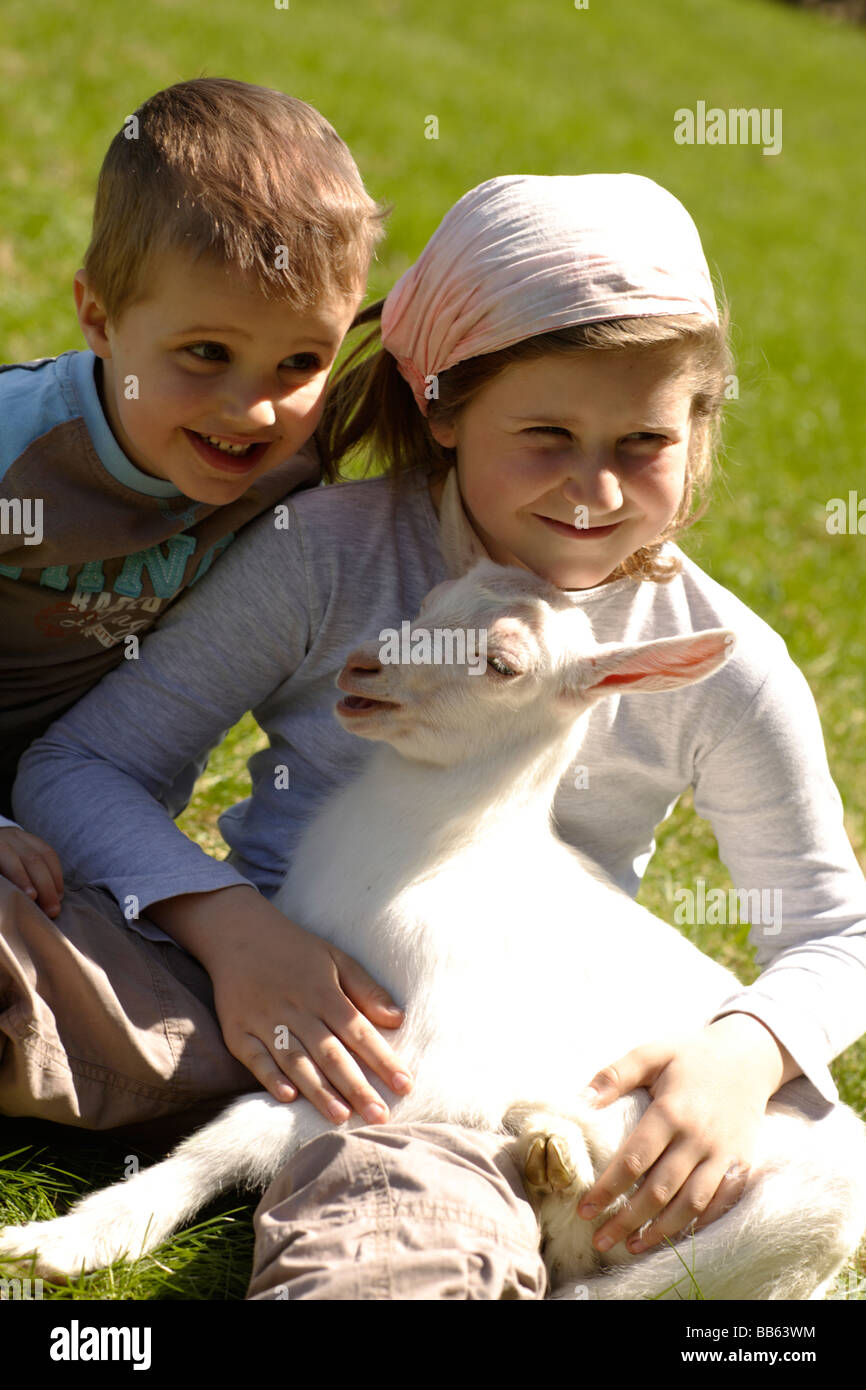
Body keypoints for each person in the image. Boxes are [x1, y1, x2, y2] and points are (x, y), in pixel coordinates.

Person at [7, 175, 866, 1300]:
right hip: (214, 988)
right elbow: (84, 766)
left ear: (698, 429)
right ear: (442, 409)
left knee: (390, 1252)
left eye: (643, 439)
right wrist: (230, 931)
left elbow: (830, 930)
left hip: (457, 1087)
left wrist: (741, 1053)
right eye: (545, 434)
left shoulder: (714, 658)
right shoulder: (327, 555)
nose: (592, 488)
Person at [0, 75, 382, 848]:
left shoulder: (297, 468)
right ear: (100, 318)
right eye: (207, 353)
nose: (255, 410)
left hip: (85, 807)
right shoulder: (20, 450)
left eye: (301, 360)